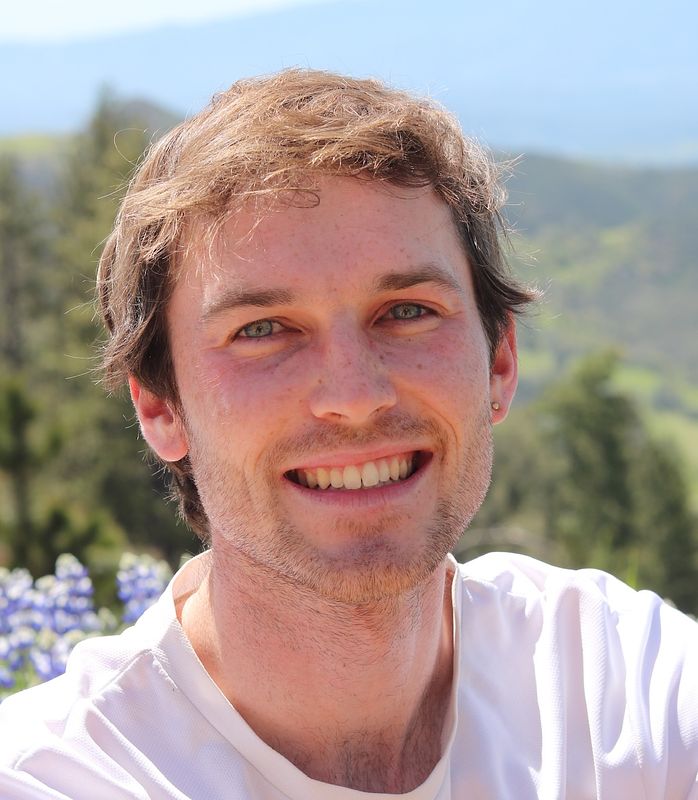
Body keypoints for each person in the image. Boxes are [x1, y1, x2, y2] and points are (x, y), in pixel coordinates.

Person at [1, 68, 697, 800]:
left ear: (499, 362)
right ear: (160, 408)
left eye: (407, 311)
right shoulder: (57, 777)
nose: (356, 397)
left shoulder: (620, 691)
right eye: (263, 330)